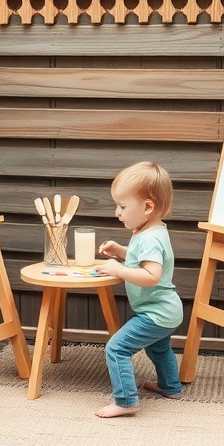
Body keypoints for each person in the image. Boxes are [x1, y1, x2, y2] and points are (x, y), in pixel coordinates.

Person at [94, 161, 183, 418]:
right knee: (159, 348)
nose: (117, 212)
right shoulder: (149, 230)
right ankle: (171, 387)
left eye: (122, 206)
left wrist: (119, 270)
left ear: (147, 207)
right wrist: (122, 252)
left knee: (117, 348)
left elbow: (152, 275)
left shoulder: (150, 237)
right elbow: (142, 259)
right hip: (166, 311)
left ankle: (125, 401)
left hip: (155, 312)